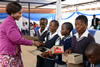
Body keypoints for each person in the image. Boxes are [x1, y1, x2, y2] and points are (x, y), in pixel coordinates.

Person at [0, 2, 41, 67]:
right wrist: (33, 42)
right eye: (19, 13)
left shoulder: (11, 22)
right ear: (12, 13)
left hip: (12, 53)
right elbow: (17, 39)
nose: (21, 15)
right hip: (9, 55)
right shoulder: (9, 23)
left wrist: (34, 38)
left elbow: (20, 36)